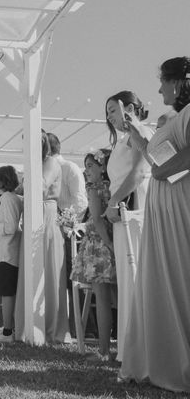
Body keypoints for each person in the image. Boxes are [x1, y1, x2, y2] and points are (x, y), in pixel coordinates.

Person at [119, 57, 190, 392]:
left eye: (163, 80)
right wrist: (134, 129)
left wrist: (165, 169)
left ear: (178, 82)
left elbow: (168, 166)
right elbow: (155, 160)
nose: (160, 88)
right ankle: (164, 358)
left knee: (181, 276)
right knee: (160, 279)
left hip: (181, 206)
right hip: (163, 208)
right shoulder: (174, 117)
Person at [103, 90, 153, 362]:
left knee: (135, 278)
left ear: (129, 107)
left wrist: (112, 202)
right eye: (108, 112)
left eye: (113, 110)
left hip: (133, 212)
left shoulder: (139, 132)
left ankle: (140, 350)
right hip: (122, 213)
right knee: (126, 280)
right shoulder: (123, 139)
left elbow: (138, 172)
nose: (109, 117)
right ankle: (128, 349)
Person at [16, 131, 69, 343]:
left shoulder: (50, 163)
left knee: (47, 269)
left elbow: (41, 187)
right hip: (32, 214)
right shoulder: (35, 164)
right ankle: (28, 323)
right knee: (30, 268)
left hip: (45, 215)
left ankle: (49, 326)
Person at [70, 149, 115, 361]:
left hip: (99, 248)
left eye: (90, 166)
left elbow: (97, 219)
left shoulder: (94, 188)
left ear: (103, 167)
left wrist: (108, 244)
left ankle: (104, 351)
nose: (86, 171)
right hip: (109, 243)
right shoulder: (110, 187)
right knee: (112, 298)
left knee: (102, 300)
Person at [47, 132, 88, 337]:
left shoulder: (69, 168)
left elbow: (80, 202)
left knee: (74, 280)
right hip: (53, 229)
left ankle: (79, 328)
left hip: (72, 234)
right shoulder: (46, 169)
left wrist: (66, 223)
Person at [0, 165, 23, 343]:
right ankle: (8, 328)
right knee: (8, 294)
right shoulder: (13, 198)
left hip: (5, 255)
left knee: (7, 294)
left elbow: (10, 228)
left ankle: (7, 332)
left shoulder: (8, 199)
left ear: (1, 181)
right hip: (9, 254)